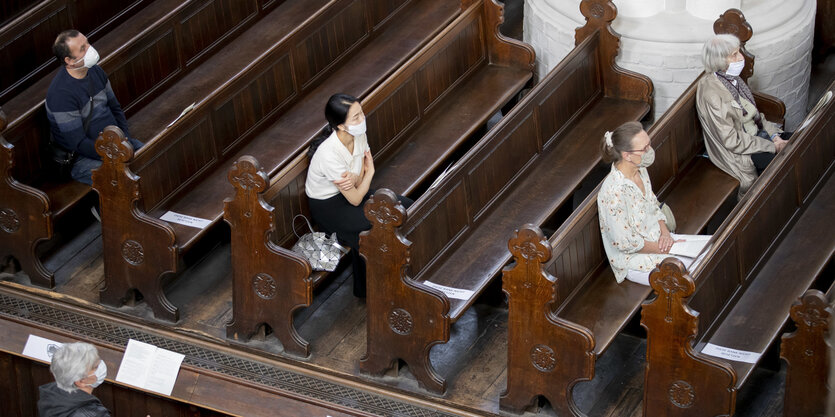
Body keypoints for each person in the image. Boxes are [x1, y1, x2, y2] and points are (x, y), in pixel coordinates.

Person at [305, 94, 412, 298]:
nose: (362, 119)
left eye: (361, 113)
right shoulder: (329, 154)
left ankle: (375, 284)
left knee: (405, 206)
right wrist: (368, 173)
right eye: (355, 118)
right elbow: (355, 197)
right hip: (329, 207)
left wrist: (359, 178)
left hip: (351, 194)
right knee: (378, 226)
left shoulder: (359, 134)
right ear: (341, 126)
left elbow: (358, 179)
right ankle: (382, 289)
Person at [597, 122, 708, 285]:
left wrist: (665, 233)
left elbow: (653, 204)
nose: (650, 151)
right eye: (644, 149)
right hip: (635, 259)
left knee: (713, 247)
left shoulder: (640, 169)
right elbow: (625, 243)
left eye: (649, 145)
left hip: (660, 240)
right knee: (695, 271)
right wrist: (666, 248)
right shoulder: (613, 192)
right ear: (627, 155)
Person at [696, 34, 791, 198]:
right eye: (734, 55)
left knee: (796, 140)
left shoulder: (732, 79)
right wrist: (772, 146)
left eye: (739, 52)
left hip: (755, 136)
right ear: (719, 61)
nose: (741, 57)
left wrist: (775, 136)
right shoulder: (711, 94)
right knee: (782, 166)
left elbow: (755, 115)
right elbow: (731, 140)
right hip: (737, 152)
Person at [46, 30, 143, 186]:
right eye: (82, 48)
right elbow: (77, 143)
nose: (90, 49)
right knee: (124, 178)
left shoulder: (95, 71)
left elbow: (115, 108)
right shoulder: (60, 95)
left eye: (87, 43)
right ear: (69, 60)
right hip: (84, 158)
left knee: (149, 157)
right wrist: (115, 155)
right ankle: (101, 210)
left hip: (115, 144)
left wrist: (124, 140)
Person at [38, 342, 111, 417]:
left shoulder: (50, 393)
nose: (101, 366)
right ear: (81, 381)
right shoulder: (94, 414)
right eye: (96, 367)